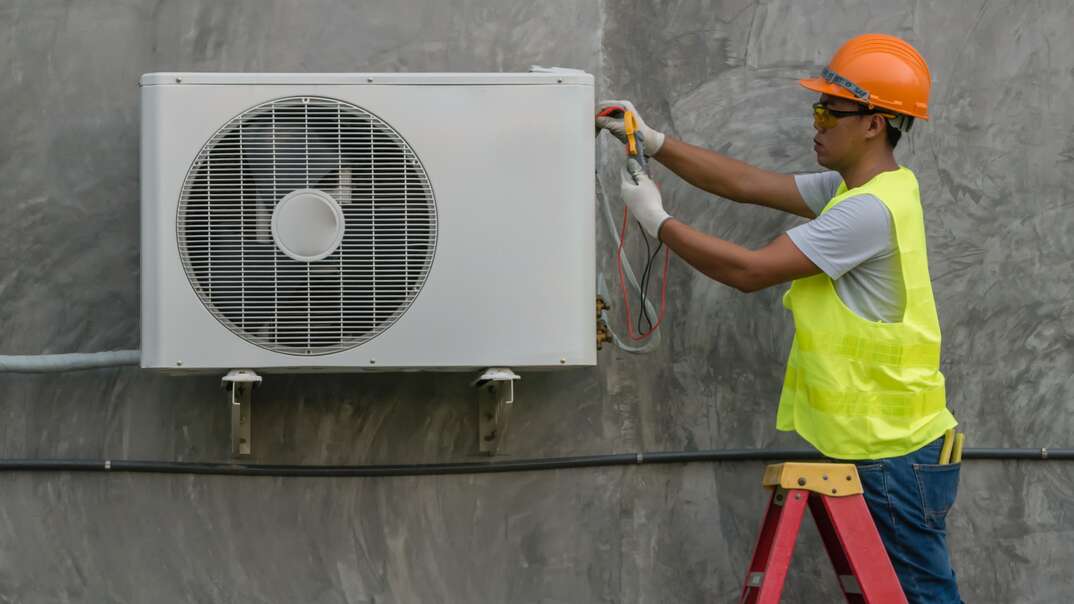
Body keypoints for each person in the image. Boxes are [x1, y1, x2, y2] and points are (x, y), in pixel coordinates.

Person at [596, 33, 962, 603]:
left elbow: (750, 271)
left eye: (829, 110)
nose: (816, 122)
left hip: (893, 454)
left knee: (922, 597)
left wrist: (658, 223)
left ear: (875, 122)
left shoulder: (865, 211)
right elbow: (745, 184)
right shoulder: (870, 188)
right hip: (890, 445)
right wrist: (656, 143)